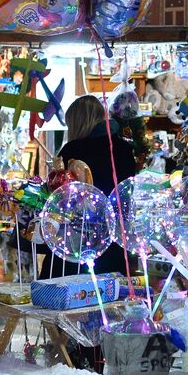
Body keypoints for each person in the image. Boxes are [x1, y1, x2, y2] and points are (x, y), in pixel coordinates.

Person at [40, 95, 139, 278]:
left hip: (75, 240)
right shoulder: (123, 149)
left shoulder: (73, 150)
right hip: (112, 237)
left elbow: (58, 197)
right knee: (110, 295)